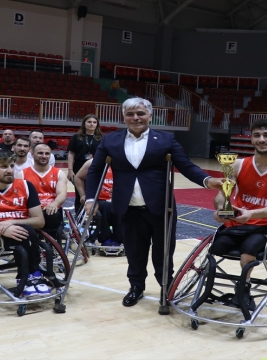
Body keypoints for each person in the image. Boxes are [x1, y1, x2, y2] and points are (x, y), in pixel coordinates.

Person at [84, 97, 223, 307]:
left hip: (161, 206)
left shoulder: (166, 139)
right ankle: (136, 286)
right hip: (128, 207)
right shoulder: (110, 140)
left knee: (163, 251)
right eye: (130, 114)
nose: (135, 118)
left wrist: (207, 180)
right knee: (133, 251)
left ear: (150, 115)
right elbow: (95, 170)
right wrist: (91, 198)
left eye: (140, 113)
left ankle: (166, 286)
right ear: (124, 117)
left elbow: (185, 165)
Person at [211, 119, 267, 305]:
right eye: (257, 135)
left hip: (264, 227)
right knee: (215, 248)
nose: (261, 139)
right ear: (251, 140)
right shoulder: (237, 165)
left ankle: (243, 288)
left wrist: (252, 214)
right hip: (236, 224)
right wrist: (220, 209)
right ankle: (206, 289)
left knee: (247, 253)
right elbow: (222, 194)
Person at [0, 150, 62, 297]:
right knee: (26, 231)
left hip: (22, 231)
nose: (10, 170)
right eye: (4, 166)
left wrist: (10, 222)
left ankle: (32, 275)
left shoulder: (26, 186)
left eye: (11, 166)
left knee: (26, 229)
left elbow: (39, 221)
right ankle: (28, 276)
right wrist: (0, 230)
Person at [74, 159, 123, 249]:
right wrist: (82, 195)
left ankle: (119, 237)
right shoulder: (91, 163)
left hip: (118, 199)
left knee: (119, 205)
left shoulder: (123, 160)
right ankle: (105, 237)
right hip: (98, 200)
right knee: (106, 206)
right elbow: (78, 177)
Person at [18, 144, 68, 231]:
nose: (44, 156)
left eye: (47, 154)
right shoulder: (22, 174)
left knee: (52, 214)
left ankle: (51, 240)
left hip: (50, 209)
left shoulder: (59, 173)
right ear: (32, 154)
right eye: (40, 153)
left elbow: (62, 194)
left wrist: (54, 204)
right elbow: (18, 197)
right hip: (31, 209)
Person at [67, 114, 102, 211]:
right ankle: (78, 217)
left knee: (93, 193)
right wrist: (70, 170)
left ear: (97, 124)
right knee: (80, 194)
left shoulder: (101, 138)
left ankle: (94, 216)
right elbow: (71, 154)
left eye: (94, 122)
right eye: (89, 122)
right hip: (78, 167)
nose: (92, 124)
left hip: (95, 168)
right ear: (84, 123)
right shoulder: (76, 137)